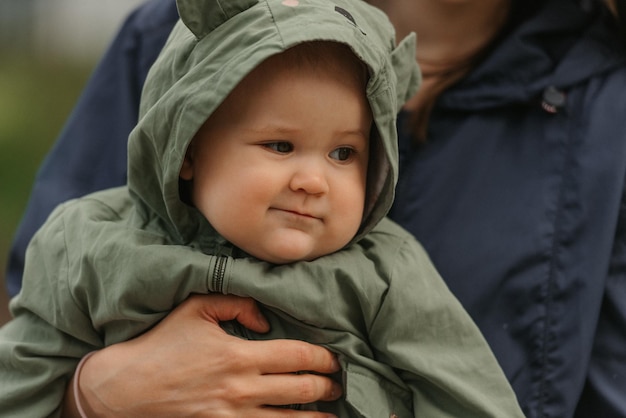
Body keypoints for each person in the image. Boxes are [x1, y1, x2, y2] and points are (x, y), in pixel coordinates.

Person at [5, 0, 626, 417]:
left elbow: (467, 391)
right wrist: (91, 396)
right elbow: (26, 355)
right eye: (279, 145)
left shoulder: (385, 272)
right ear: (186, 146)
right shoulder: (90, 235)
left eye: (344, 154)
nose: (312, 180)